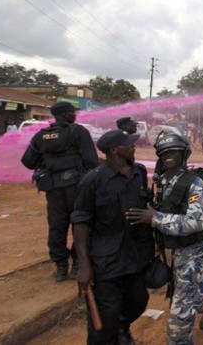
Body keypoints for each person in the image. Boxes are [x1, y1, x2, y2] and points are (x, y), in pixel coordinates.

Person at [125, 133, 203, 344]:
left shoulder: (195, 183)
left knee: (180, 315)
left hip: (197, 250)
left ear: (183, 154)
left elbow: (195, 222)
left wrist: (155, 218)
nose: (169, 156)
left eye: (173, 152)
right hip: (176, 250)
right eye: (164, 153)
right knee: (190, 293)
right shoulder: (161, 182)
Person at [72, 130, 154, 344]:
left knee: (138, 300)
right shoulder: (93, 180)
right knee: (105, 315)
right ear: (114, 150)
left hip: (136, 254)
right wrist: (83, 265)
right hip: (106, 258)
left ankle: (121, 328)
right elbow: (80, 223)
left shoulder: (139, 173)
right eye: (129, 144)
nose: (134, 146)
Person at [21, 102, 99, 282]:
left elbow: (27, 161)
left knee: (56, 226)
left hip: (53, 189)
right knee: (81, 224)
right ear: (64, 115)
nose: (75, 115)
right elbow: (91, 160)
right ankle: (78, 263)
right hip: (77, 187)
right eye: (72, 113)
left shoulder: (42, 136)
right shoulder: (78, 132)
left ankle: (61, 266)